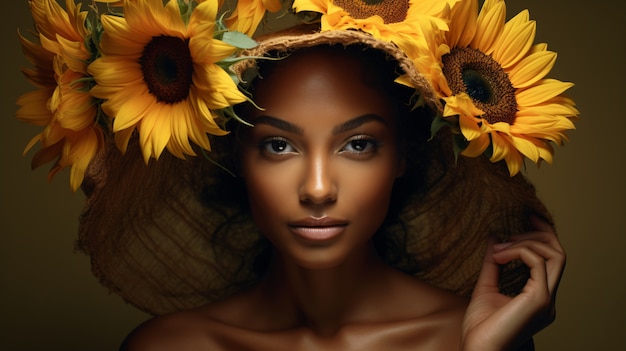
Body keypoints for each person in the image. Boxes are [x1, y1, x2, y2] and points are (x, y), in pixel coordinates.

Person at [15, 0, 576, 350]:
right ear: (238, 158)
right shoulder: (174, 347)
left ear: (402, 156)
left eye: (357, 144)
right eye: (279, 145)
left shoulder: (478, 340)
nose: (316, 189)